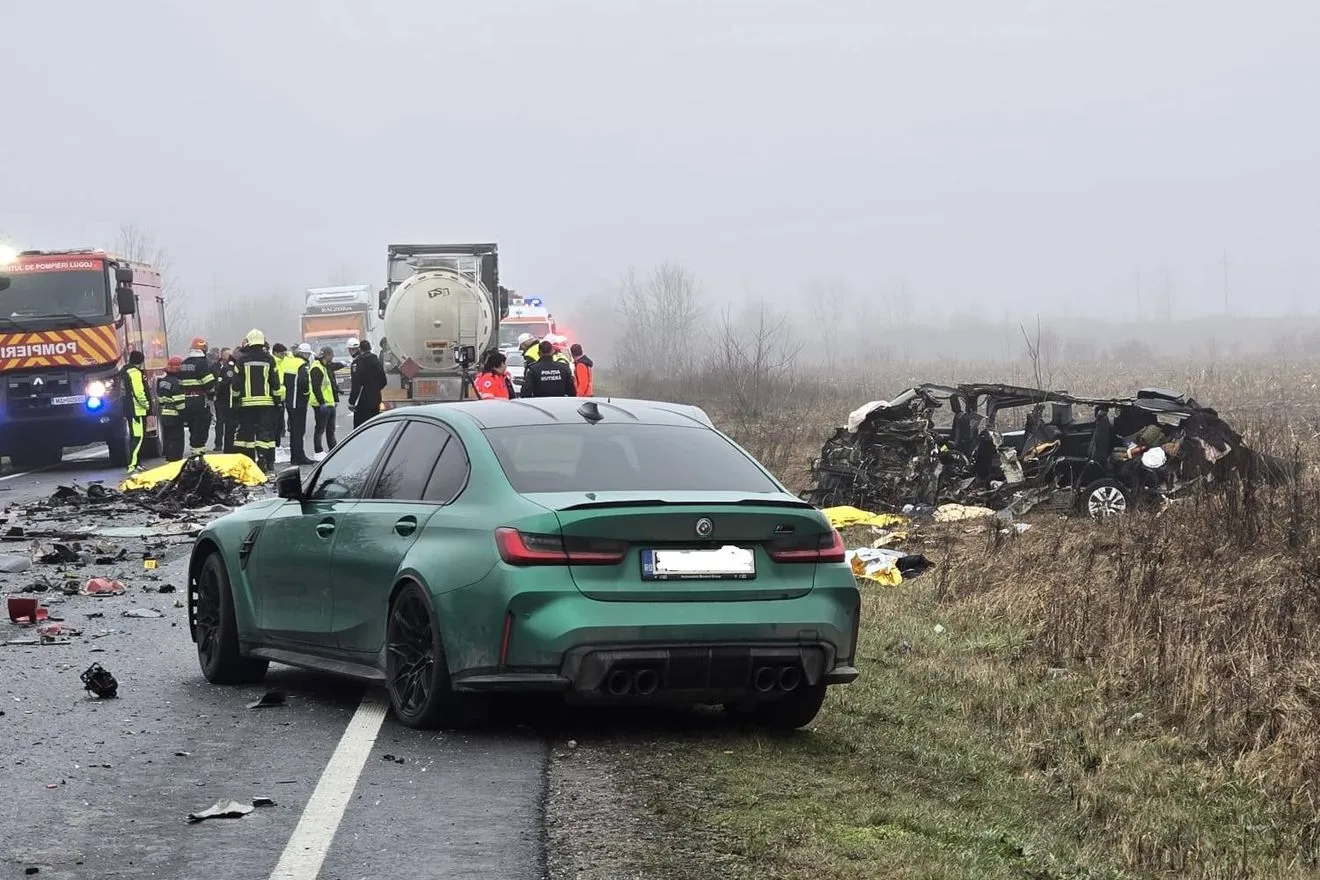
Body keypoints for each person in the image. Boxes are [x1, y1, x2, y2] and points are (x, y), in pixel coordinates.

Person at [232, 329, 282, 471]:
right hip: (266, 404)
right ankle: (264, 458)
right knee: (265, 431)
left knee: (246, 433)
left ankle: (248, 462)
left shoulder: (241, 360)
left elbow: (236, 383)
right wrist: (277, 400)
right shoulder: (269, 359)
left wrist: (235, 400)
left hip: (247, 404)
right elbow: (275, 382)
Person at [179, 336, 215, 457]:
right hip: (199, 401)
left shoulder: (183, 363)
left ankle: (195, 450)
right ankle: (198, 454)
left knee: (192, 426)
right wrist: (212, 393)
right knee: (202, 425)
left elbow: (179, 383)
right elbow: (209, 383)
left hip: (185, 401)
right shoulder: (202, 363)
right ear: (202, 349)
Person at [119, 349, 150, 473]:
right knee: (138, 437)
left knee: (135, 436)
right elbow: (138, 392)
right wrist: (146, 404)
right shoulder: (135, 373)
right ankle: (133, 466)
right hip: (137, 410)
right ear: (141, 361)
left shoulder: (124, 371)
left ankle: (137, 463)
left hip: (129, 408)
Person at [309, 346, 343, 456]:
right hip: (321, 404)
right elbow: (316, 387)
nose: (333, 356)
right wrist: (322, 402)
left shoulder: (324, 366)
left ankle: (333, 449)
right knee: (320, 429)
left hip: (329, 403)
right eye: (331, 354)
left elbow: (328, 384)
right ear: (327, 355)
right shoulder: (316, 368)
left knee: (330, 429)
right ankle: (318, 452)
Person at [285, 343, 315, 465]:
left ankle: (295, 456)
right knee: (299, 430)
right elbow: (303, 382)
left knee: (294, 431)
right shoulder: (303, 365)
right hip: (299, 402)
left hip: (290, 400)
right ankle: (299, 456)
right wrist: (307, 394)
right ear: (305, 354)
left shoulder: (291, 362)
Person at [348, 339, 387, 428]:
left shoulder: (358, 363)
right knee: (374, 426)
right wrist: (375, 389)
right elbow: (384, 382)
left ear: (360, 349)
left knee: (360, 428)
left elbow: (356, 385)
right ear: (370, 348)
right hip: (376, 399)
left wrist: (352, 402)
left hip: (363, 402)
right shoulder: (377, 361)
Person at [155, 356, 187, 462]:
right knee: (177, 439)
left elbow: (160, 400)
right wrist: (185, 415)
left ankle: (169, 458)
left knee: (168, 439)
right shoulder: (177, 383)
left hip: (165, 414)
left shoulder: (162, 382)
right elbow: (180, 402)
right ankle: (175, 461)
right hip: (175, 416)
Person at [213, 348, 237, 453]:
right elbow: (219, 382)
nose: (228, 355)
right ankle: (218, 444)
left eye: (229, 354)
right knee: (219, 423)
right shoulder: (216, 366)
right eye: (226, 354)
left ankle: (229, 446)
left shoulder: (230, 367)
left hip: (229, 400)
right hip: (221, 399)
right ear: (222, 355)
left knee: (229, 424)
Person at [270, 343, 290, 447]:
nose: (284, 355)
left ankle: (277, 446)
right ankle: (275, 447)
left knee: (280, 424)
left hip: (283, 396)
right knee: (275, 425)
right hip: (274, 396)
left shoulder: (284, 361)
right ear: (275, 353)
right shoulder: (272, 362)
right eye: (282, 353)